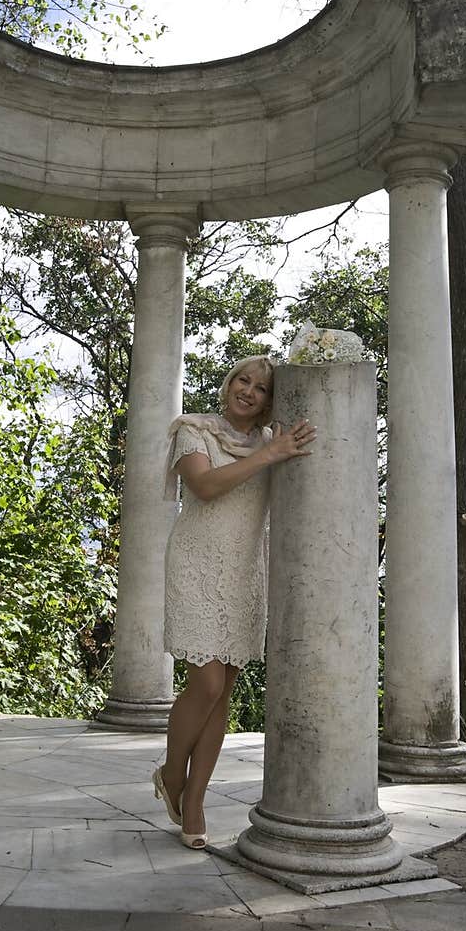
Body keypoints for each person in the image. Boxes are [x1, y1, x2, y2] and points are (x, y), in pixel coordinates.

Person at [152, 355, 317, 848]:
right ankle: (171, 774)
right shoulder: (192, 430)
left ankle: (196, 801)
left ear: (270, 401)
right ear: (228, 384)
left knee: (224, 691)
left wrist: (278, 449)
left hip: (246, 571)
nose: (249, 391)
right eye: (242, 380)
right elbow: (203, 487)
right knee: (204, 682)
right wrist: (271, 455)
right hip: (196, 565)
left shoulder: (272, 441)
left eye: (262, 388)